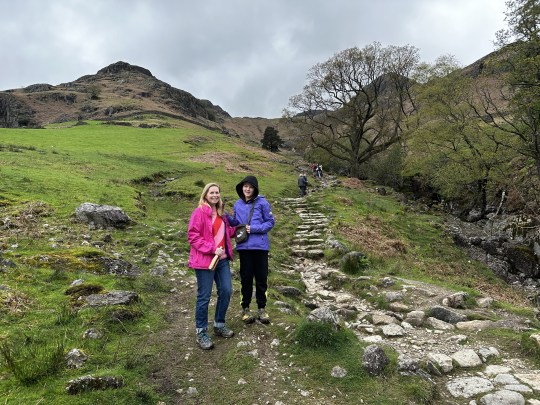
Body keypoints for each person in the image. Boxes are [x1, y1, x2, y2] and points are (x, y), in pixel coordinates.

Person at [187, 183, 236, 350]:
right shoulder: (199, 212)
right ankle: (201, 332)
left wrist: (240, 229)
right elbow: (193, 236)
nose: (215, 195)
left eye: (217, 192)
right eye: (212, 192)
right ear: (206, 194)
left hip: (221, 260)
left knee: (227, 290)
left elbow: (226, 233)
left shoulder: (222, 213)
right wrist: (211, 249)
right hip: (204, 261)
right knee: (204, 296)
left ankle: (219, 324)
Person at [226, 175, 275, 324]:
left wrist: (253, 228)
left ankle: (262, 309)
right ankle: (245, 309)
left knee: (261, 278)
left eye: (250, 187)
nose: (247, 189)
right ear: (242, 187)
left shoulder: (263, 203)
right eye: (245, 186)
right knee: (246, 279)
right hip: (244, 247)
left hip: (260, 247)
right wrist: (225, 216)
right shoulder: (237, 204)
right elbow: (237, 224)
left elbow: (270, 222)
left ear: (255, 189)